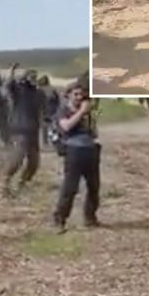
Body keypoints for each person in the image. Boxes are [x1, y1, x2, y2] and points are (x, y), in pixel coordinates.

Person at [51, 81, 100, 233]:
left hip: (90, 150)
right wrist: (81, 113)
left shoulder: (86, 112)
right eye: (76, 94)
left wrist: (89, 118)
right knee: (70, 187)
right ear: (68, 95)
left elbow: (94, 132)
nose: (79, 97)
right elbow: (66, 126)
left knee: (94, 186)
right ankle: (60, 220)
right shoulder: (63, 110)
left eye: (82, 94)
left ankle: (90, 217)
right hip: (73, 151)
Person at [3, 65, 43, 195]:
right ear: (25, 78)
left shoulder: (37, 93)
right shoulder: (19, 91)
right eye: (31, 76)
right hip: (20, 129)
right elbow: (8, 85)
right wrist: (11, 71)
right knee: (18, 158)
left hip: (33, 130)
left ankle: (22, 183)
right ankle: (6, 183)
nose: (34, 78)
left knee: (34, 162)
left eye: (35, 76)